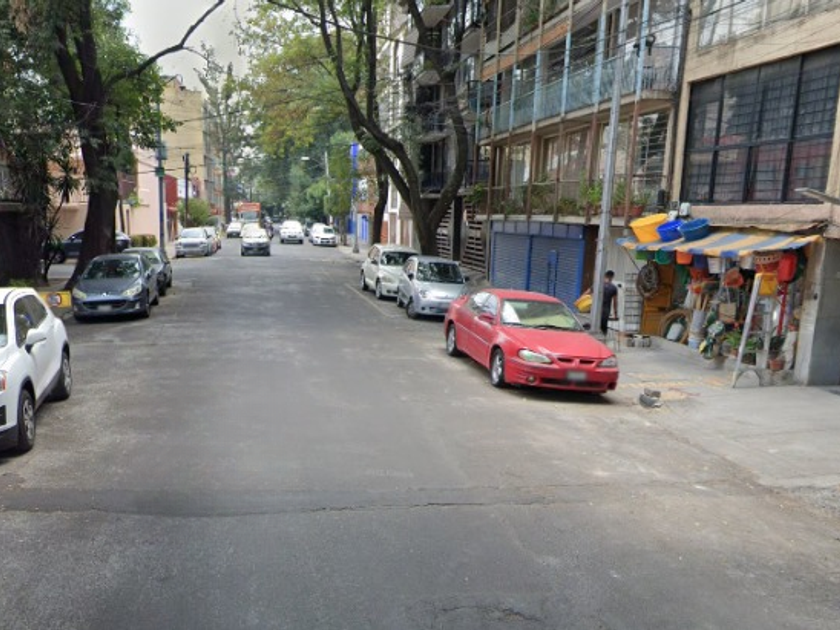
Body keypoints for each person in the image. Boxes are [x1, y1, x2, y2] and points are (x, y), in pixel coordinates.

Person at [584, 270, 619, 335]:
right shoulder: (613, 288)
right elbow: (615, 303)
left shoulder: (597, 285)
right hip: (605, 312)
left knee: (592, 327)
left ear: (605, 276)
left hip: (595, 310)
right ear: (612, 277)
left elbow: (586, 294)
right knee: (603, 330)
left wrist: (581, 302)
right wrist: (615, 314)